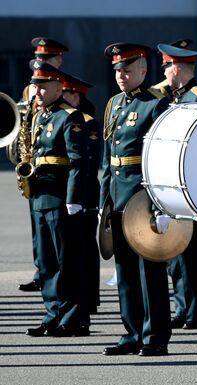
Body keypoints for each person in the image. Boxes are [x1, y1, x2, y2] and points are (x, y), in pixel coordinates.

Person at [100, 43, 171, 356]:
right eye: (117, 70)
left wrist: (160, 204)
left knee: (149, 271)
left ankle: (155, 336)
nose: (121, 75)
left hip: (142, 197)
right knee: (126, 271)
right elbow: (109, 156)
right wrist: (104, 201)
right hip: (118, 196)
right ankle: (131, 332)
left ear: (144, 71)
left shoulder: (155, 104)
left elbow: (161, 157)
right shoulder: (114, 103)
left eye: (127, 69)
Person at [24, 60, 90, 337]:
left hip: (61, 199)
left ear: (58, 87)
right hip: (40, 196)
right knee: (48, 262)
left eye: (42, 87)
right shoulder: (40, 116)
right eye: (35, 86)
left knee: (68, 262)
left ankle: (74, 318)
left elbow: (78, 161)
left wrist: (73, 197)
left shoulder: (69, 116)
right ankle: (53, 313)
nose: (37, 92)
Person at [154, 43, 197, 329]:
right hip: (174, 184)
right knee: (177, 254)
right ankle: (184, 308)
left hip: (191, 184)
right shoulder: (174, 96)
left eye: (166, 67)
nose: (164, 72)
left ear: (176, 69)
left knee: (189, 253)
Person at [18, 37, 69, 293]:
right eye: (38, 60)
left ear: (58, 61)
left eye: (47, 60)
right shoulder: (31, 90)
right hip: (35, 169)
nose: (41, 64)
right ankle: (42, 271)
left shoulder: (64, 86)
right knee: (38, 228)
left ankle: (58, 288)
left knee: (57, 240)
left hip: (55, 176)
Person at [62, 73, 101, 315]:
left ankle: (89, 296)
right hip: (74, 192)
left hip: (84, 193)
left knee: (86, 246)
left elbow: (89, 161)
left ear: (75, 96)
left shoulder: (88, 122)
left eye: (65, 92)